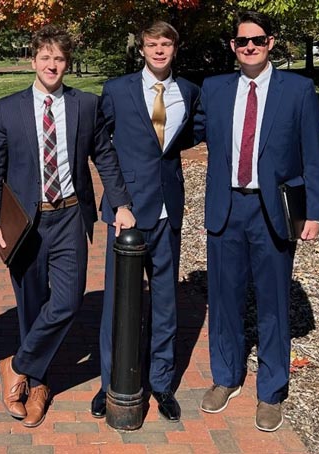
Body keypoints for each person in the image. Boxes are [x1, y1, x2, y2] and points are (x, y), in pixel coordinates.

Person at [0, 25, 135, 428]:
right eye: (45, 57)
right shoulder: (8, 108)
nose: (52, 65)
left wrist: (119, 203)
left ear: (68, 64)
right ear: (33, 61)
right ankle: (38, 386)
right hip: (26, 223)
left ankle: (14, 366)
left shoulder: (85, 105)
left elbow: (104, 155)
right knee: (31, 307)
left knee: (67, 302)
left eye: (60, 58)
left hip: (69, 215)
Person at [194, 11, 319, 432]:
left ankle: (271, 391)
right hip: (226, 208)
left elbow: (313, 153)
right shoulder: (214, 90)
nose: (249, 47)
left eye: (256, 40)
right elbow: (181, 132)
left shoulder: (298, 90)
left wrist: (316, 211)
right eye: (241, 41)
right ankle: (226, 377)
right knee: (224, 300)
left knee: (272, 304)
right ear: (233, 47)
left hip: (274, 209)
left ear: (271, 43)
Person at [93, 20, 200, 422]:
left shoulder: (188, 92)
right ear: (142, 48)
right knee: (118, 300)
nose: (159, 50)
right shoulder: (117, 90)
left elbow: (187, 137)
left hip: (168, 207)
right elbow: (101, 146)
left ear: (175, 48)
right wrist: (118, 200)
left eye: (166, 44)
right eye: (152, 44)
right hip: (129, 212)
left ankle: (161, 383)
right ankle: (111, 384)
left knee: (166, 301)